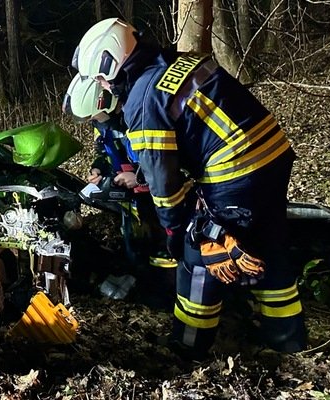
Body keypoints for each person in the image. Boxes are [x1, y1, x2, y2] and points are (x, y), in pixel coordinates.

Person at [68, 18, 306, 359]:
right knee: (269, 242)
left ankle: (189, 346)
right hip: (272, 153)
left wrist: (178, 234)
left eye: (100, 77)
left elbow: (164, 185)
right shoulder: (178, 61)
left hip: (234, 170)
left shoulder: (142, 100)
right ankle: (287, 340)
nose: (102, 85)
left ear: (111, 62)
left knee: (199, 256)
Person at [62, 72, 177, 309]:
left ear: (106, 103)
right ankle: (143, 287)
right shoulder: (101, 123)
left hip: (157, 197)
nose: (94, 120)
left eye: (94, 115)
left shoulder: (138, 118)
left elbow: (163, 161)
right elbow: (106, 151)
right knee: (135, 245)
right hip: (130, 197)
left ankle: (168, 296)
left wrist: (139, 177)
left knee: (163, 249)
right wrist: (98, 168)